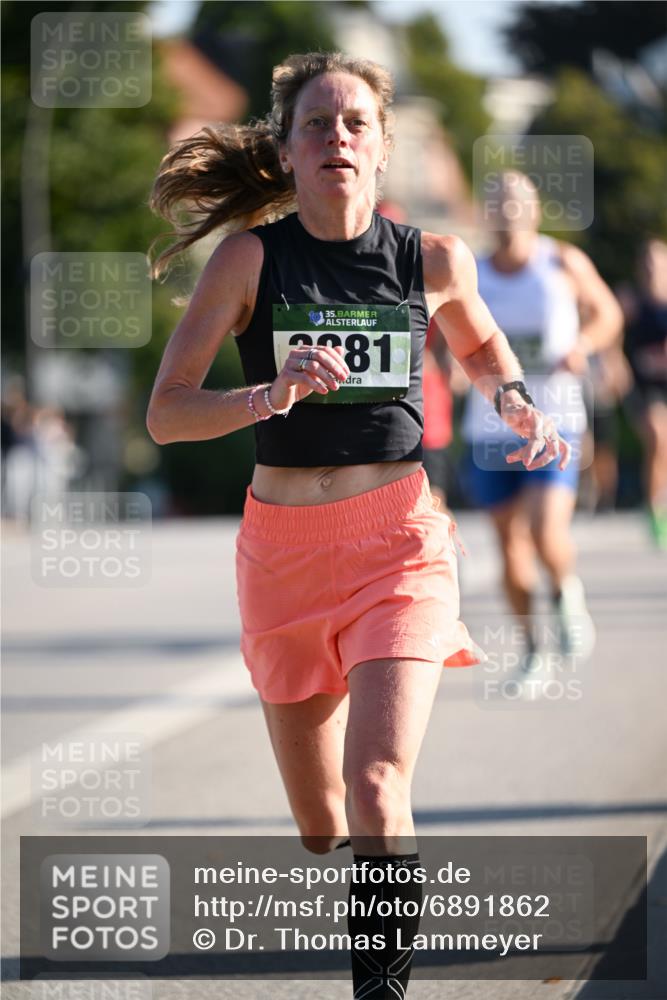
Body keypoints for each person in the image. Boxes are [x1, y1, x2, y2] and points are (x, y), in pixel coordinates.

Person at [147, 54, 569, 999]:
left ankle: (380, 987)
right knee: (322, 821)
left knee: (380, 785)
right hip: (283, 558)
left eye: (354, 125)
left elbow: (480, 342)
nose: (335, 137)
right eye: (315, 125)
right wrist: (268, 394)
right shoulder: (251, 259)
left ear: (381, 149)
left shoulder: (433, 259)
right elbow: (168, 412)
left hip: (400, 542)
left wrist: (516, 402)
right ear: (288, 151)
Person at [462, 171, 623, 690]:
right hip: (489, 426)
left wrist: (585, 345)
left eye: (516, 202)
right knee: (509, 545)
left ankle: (566, 589)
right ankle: (533, 650)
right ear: (486, 213)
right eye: (497, 203)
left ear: (533, 210)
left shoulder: (562, 262)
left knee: (543, 530)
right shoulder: (472, 271)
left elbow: (608, 314)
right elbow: (450, 331)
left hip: (556, 421)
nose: (506, 211)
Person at [618, 238, 667, 548]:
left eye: (657, 262)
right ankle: (655, 510)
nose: (652, 269)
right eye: (646, 263)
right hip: (642, 388)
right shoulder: (630, 302)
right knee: (657, 437)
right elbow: (612, 335)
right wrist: (614, 364)